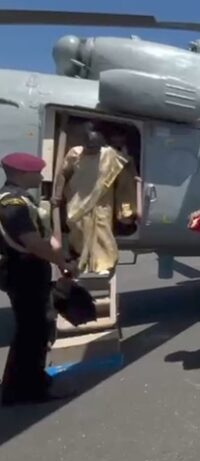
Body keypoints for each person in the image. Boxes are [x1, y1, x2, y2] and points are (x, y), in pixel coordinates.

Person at [0, 152, 75, 406]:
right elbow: (32, 243)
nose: (41, 177)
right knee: (33, 331)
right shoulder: (12, 204)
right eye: (37, 173)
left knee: (33, 330)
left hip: (27, 272)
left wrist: (59, 254)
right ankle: (28, 389)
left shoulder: (22, 199)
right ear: (23, 174)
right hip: (24, 273)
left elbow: (42, 236)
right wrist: (62, 263)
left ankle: (18, 386)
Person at [52, 121, 138, 274]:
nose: (92, 150)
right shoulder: (75, 153)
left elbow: (125, 163)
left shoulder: (110, 155)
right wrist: (57, 194)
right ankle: (83, 261)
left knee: (102, 231)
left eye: (95, 147)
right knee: (78, 229)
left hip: (101, 201)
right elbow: (63, 174)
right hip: (76, 199)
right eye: (89, 147)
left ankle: (103, 264)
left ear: (101, 145)